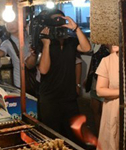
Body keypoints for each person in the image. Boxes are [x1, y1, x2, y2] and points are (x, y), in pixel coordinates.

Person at [38, 9, 91, 139]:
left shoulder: (71, 42)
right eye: (54, 22)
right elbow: (44, 70)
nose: (58, 25)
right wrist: (46, 44)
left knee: (74, 136)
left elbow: (87, 48)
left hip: (69, 97)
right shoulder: (46, 43)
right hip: (50, 98)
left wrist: (76, 28)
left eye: (61, 21)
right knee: (51, 137)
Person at [0, 20, 37, 90]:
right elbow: (1, 51)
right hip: (20, 81)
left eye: (13, 22)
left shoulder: (30, 37)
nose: (10, 25)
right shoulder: (7, 43)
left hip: (37, 78)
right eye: (7, 23)